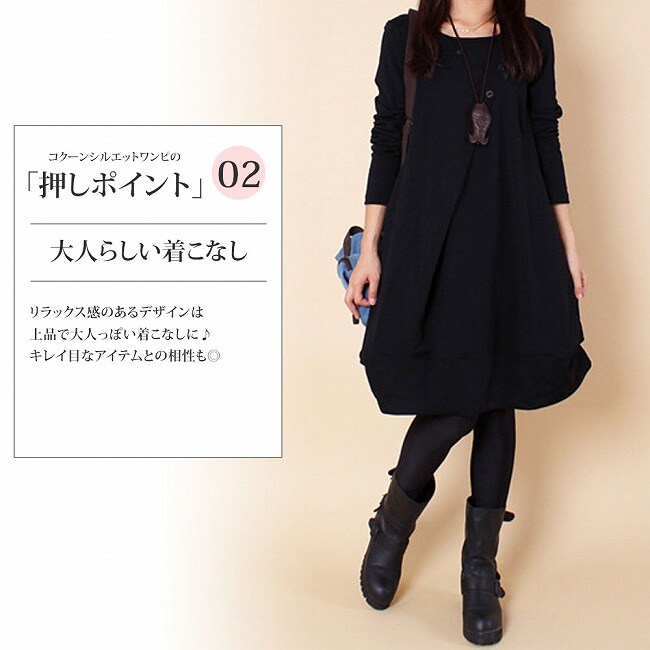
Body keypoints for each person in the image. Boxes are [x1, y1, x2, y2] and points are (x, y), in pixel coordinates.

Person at [344, 0, 592, 645]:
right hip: (429, 239)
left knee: (499, 391)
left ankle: (478, 568)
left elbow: (545, 139)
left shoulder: (531, 41)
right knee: (460, 401)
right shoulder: (406, 37)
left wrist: (568, 246)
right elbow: (386, 137)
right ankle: (394, 522)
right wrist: (370, 250)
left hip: (514, 235)